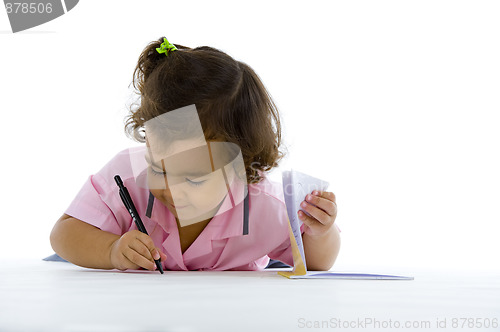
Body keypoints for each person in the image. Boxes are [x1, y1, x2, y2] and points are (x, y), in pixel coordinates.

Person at [50, 37, 340, 272]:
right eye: (160, 170)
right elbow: (64, 234)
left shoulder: (266, 206)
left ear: (240, 170)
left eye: (194, 179)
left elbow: (316, 262)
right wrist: (110, 250)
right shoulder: (126, 174)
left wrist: (321, 232)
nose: (170, 190)